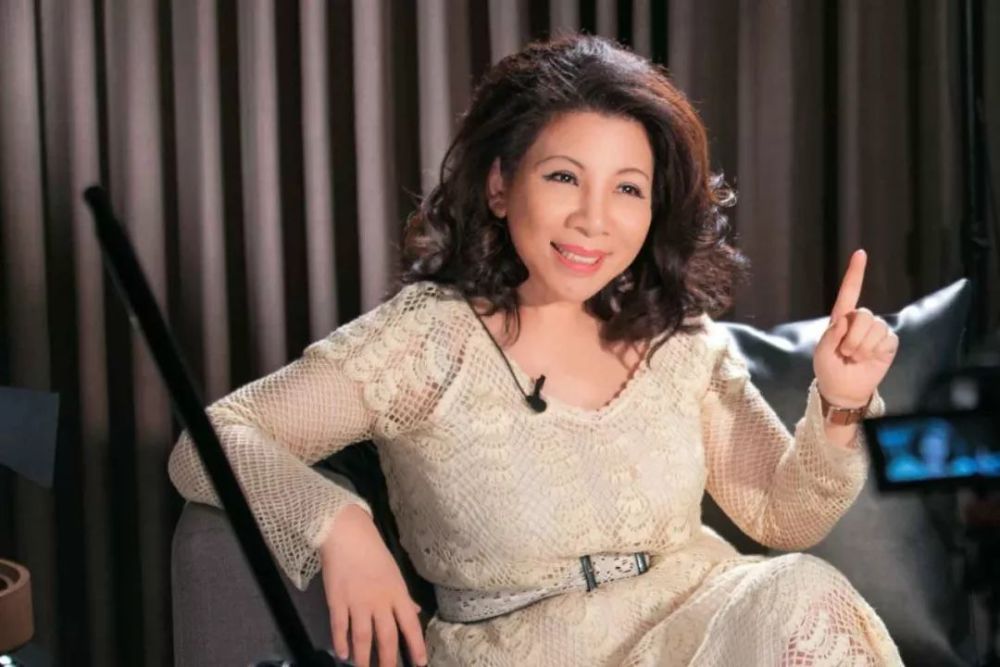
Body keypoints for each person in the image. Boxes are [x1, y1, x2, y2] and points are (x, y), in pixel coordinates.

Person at [168, 34, 904, 666]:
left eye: (627, 189)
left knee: (801, 588)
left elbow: (783, 518)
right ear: (499, 185)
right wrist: (338, 523)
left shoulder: (678, 339)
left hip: (702, 625)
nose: (593, 220)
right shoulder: (425, 341)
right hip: (518, 648)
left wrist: (840, 404)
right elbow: (208, 441)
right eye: (562, 177)